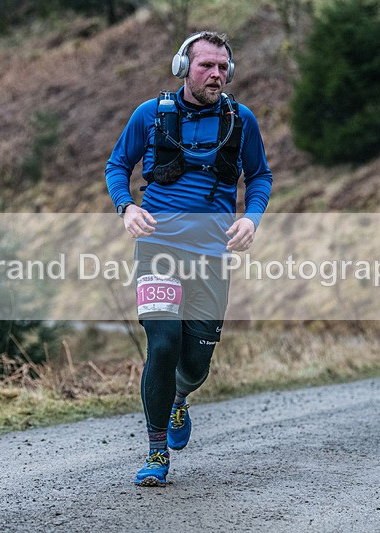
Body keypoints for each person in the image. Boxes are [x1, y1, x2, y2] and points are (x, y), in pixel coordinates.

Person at [105, 31, 273, 486]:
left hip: (211, 257)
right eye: (206, 66)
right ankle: (156, 453)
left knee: (195, 364)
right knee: (162, 345)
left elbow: (260, 176)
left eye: (222, 67)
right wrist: (128, 206)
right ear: (184, 67)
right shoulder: (150, 115)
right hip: (158, 247)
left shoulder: (242, 121)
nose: (216, 74)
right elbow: (117, 165)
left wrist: (252, 218)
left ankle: (180, 395)